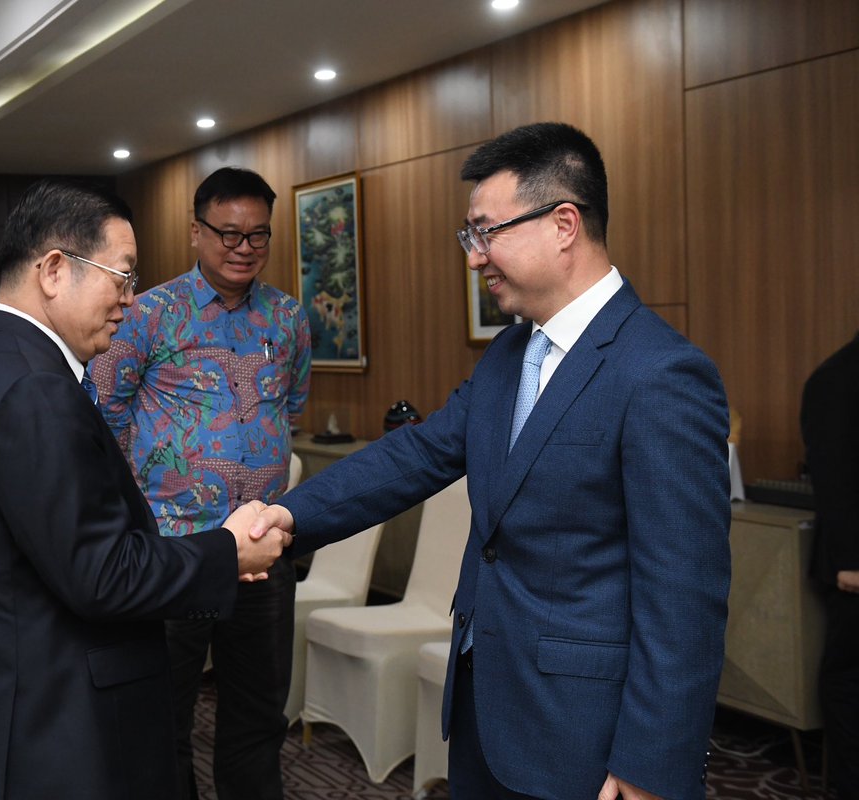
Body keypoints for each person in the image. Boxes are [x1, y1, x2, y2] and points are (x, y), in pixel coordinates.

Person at [250, 122, 731, 800]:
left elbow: (684, 599)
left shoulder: (661, 373)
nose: (474, 257)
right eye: (469, 237)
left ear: (564, 223)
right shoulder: (510, 354)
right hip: (483, 705)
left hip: (586, 738)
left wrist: (652, 764)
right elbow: (416, 455)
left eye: (486, 232)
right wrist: (286, 517)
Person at [0, 179, 285, 800]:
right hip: (60, 729)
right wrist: (227, 552)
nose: (128, 300)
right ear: (52, 270)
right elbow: (100, 573)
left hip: (23, 703)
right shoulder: (34, 390)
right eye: (121, 277)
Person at [92, 166, 310, 800]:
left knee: (258, 716)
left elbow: (290, 409)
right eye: (229, 234)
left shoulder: (290, 319)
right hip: (173, 551)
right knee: (162, 713)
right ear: (196, 231)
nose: (244, 248)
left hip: (266, 548)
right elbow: (103, 416)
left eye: (258, 236)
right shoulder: (147, 314)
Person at [803, 332, 859, 800]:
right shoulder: (837, 378)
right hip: (854, 571)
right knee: (848, 682)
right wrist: (848, 561)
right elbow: (833, 474)